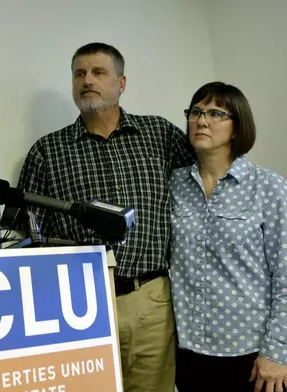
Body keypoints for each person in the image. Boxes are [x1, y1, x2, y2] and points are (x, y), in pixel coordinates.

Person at [16, 42, 195, 392]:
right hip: (80, 306)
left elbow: (201, 189)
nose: (88, 80)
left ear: (121, 83)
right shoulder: (47, 151)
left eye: (99, 72)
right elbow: (25, 232)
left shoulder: (159, 135)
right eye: (79, 74)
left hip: (151, 301)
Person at [170, 81, 287, 392]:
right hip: (188, 350)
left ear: (237, 127)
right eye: (195, 112)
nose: (201, 120)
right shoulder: (174, 185)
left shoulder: (270, 188)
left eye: (215, 113)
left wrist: (277, 351)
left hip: (250, 355)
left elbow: (286, 275)